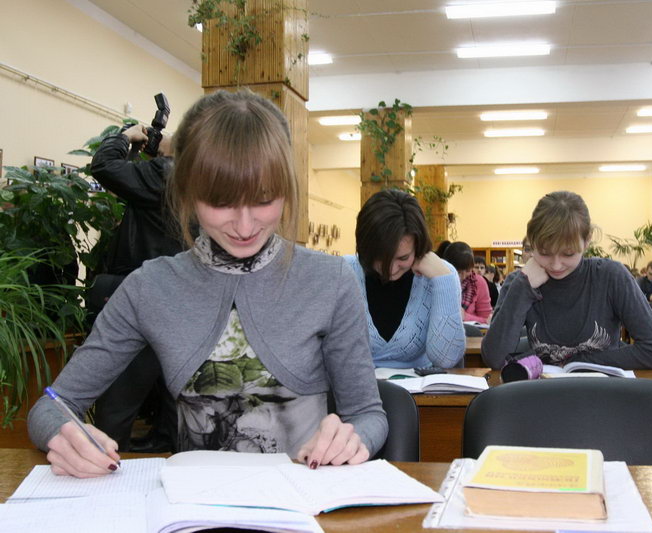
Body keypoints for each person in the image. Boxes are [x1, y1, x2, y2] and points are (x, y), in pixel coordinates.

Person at [27, 90, 387, 477]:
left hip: (306, 497)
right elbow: (53, 403)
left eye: (264, 199)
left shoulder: (330, 280)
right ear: (187, 192)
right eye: (221, 203)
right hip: (193, 501)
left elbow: (368, 413)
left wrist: (355, 438)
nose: (245, 226)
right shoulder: (149, 287)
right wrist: (63, 434)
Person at [482, 191, 652, 371]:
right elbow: (494, 358)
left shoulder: (611, 276)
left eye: (568, 254)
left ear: (586, 241)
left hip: (603, 388)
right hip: (544, 390)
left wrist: (579, 363)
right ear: (532, 242)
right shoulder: (520, 283)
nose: (556, 265)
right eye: (544, 253)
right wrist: (522, 288)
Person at [89, 123, 184, 454]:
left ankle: (105, 451)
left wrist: (124, 137)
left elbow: (104, 167)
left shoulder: (166, 173)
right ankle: (168, 439)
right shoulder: (196, 178)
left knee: (122, 381)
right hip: (179, 290)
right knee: (173, 377)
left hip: (146, 292)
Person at [344, 190, 465, 369]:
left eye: (403, 258)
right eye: (380, 258)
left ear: (418, 247)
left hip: (418, 386)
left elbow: (446, 360)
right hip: (354, 384)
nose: (391, 269)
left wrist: (443, 281)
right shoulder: (343, 272)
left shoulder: (440, 274)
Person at [444, 241, 493, 323]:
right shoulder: (438, 281)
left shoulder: (479, 282)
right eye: (458, 272)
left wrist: (465, 316)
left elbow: (487, 320)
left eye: (467, 271)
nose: (463, 276)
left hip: (470, 330)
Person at [496, 235, 533, 308]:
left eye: (538, 250)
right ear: (522, 253)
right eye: (527, 249)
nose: (531, 255)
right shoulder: (512, 279)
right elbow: (500, 313)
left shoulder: (553, 279)